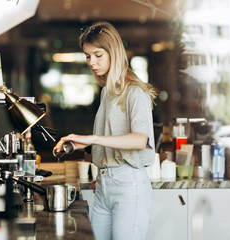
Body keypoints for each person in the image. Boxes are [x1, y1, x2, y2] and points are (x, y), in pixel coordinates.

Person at [53, 21, 157, 240]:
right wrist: (91, 149)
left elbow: (140, 140)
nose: (92, 62)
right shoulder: (106, 92)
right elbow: (111, 137)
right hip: (104, 186)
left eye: (98, 55)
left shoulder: (135, 92)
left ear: (114, 53)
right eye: (88, 56)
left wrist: (93, 138)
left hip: (128, 185)